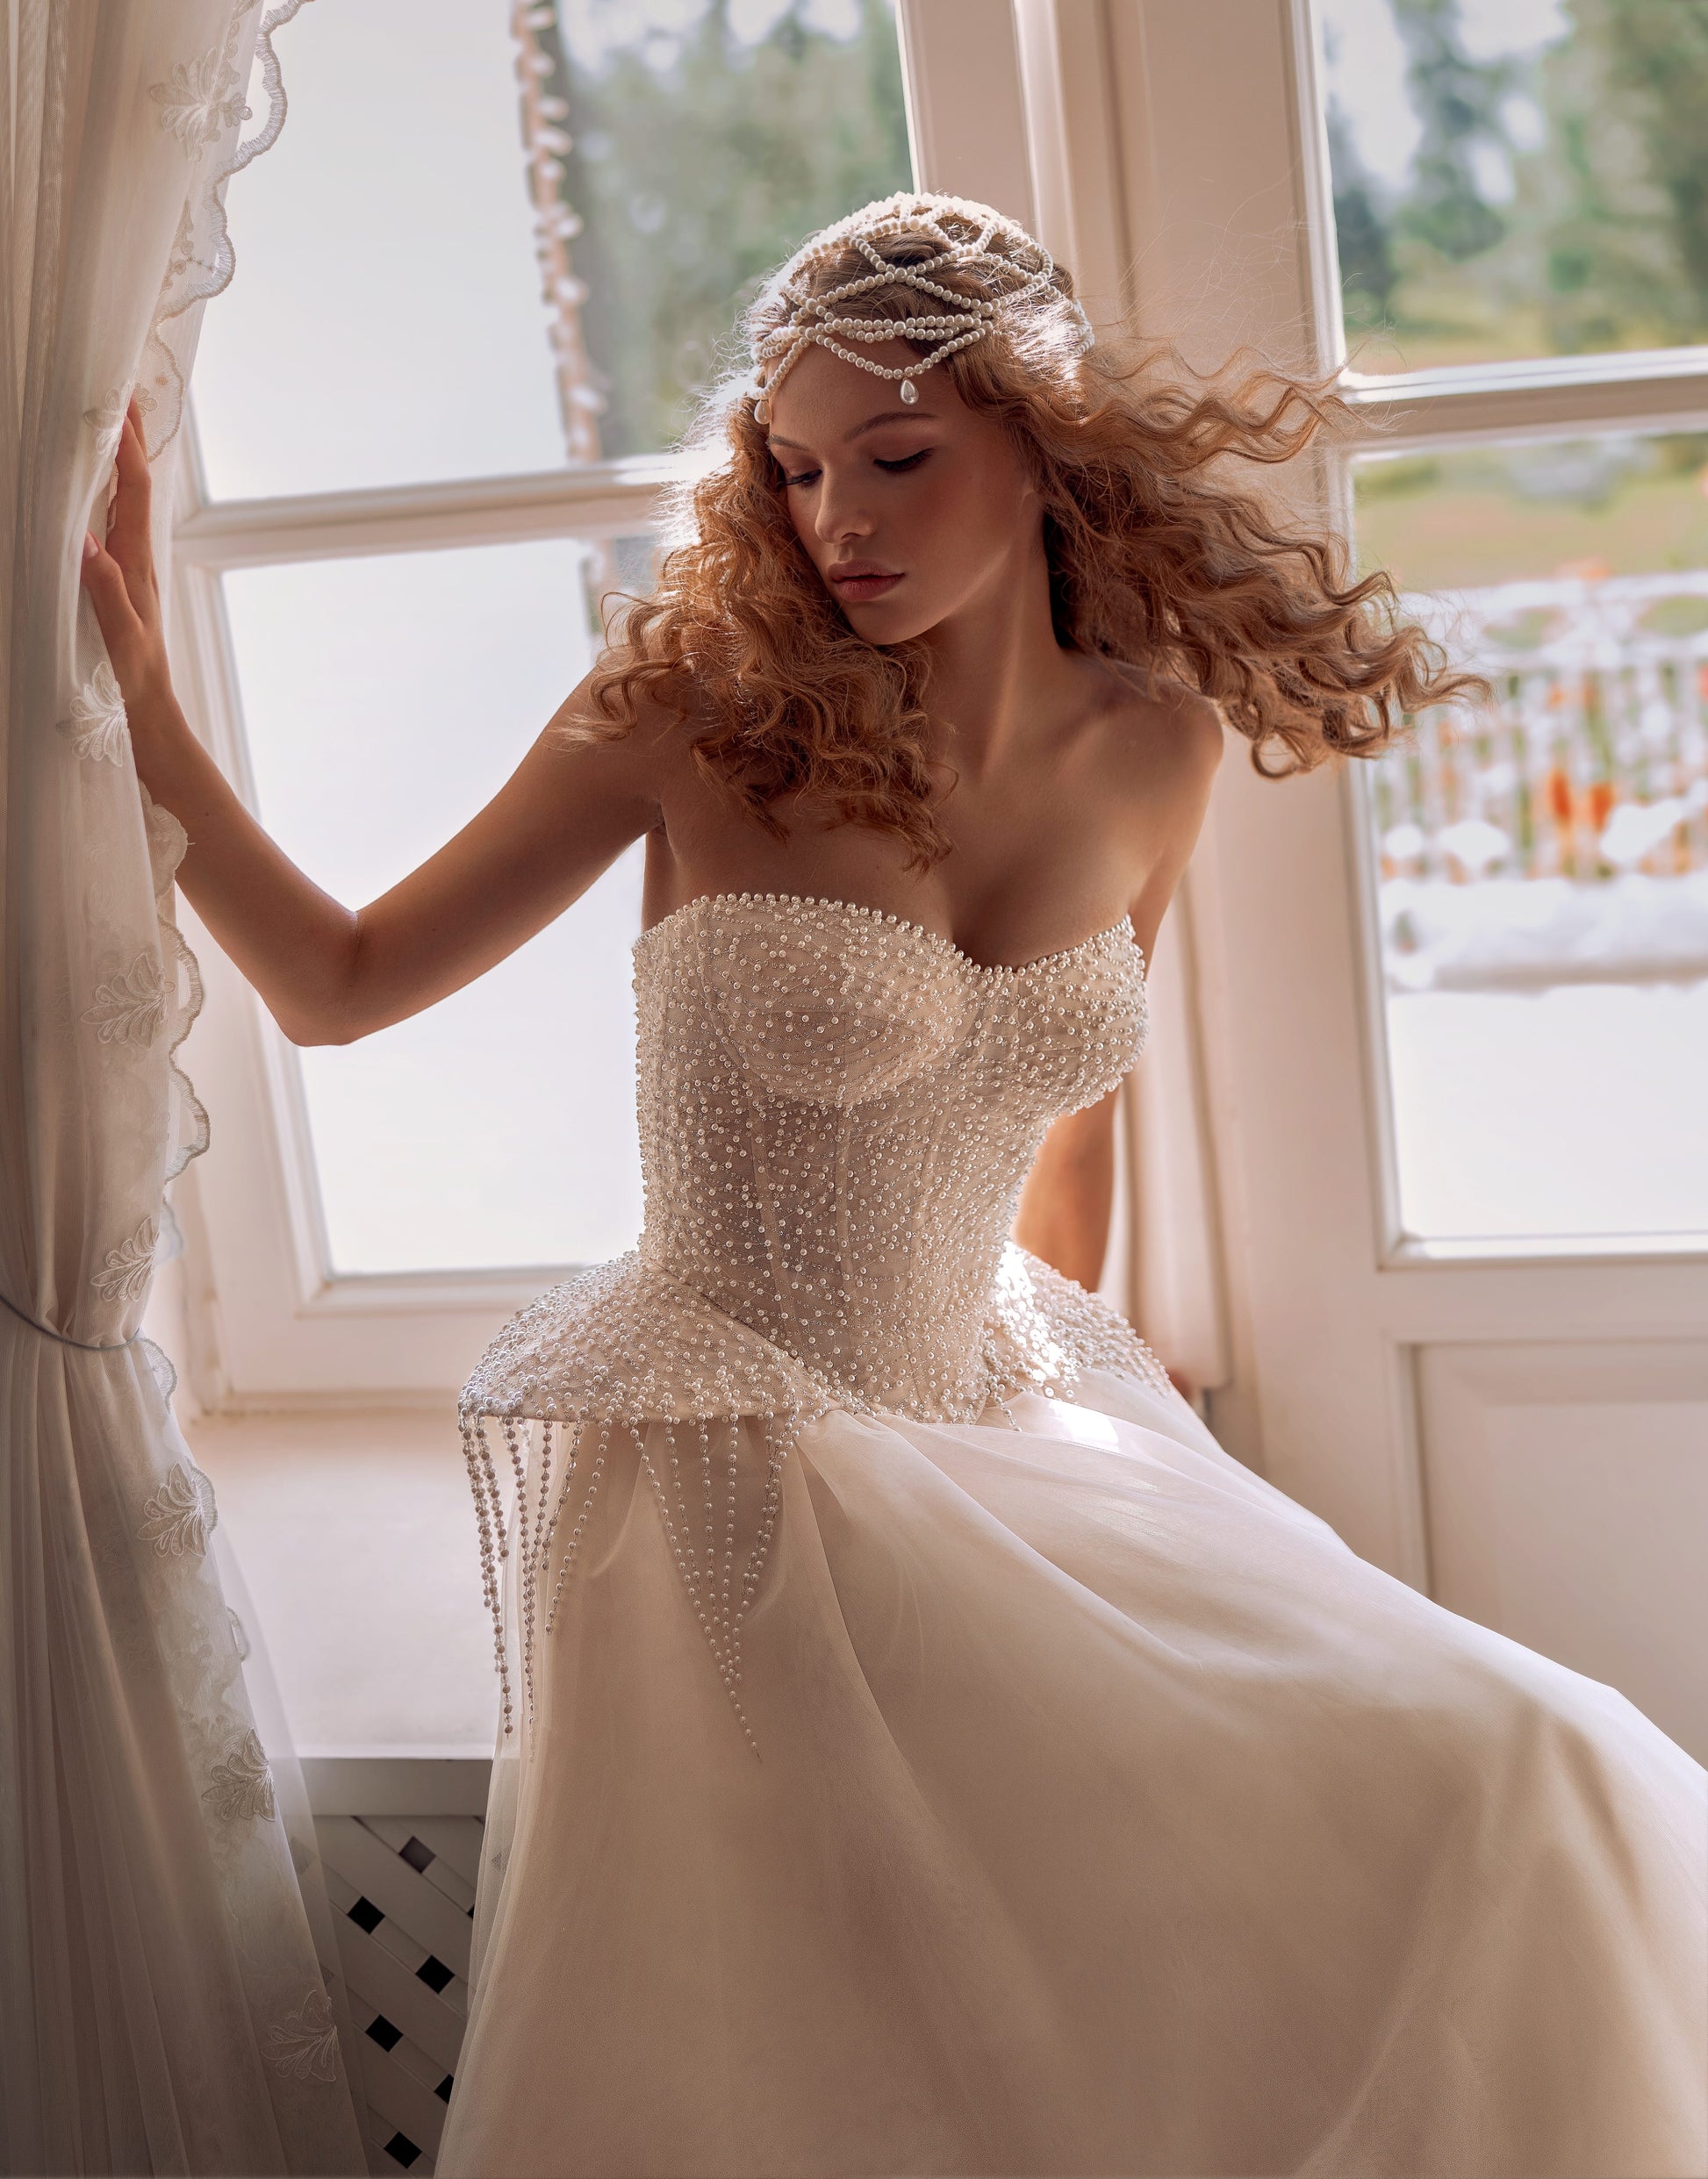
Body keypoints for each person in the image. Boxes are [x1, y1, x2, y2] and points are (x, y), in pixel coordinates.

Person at [83, 195, 1705, 2179]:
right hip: (735, 1462)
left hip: (1008, 1414)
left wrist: (1131, 1444)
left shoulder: (1152, 746)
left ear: (1044, 440)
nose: (835, 516)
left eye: (898, 457)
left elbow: (1072, 1129)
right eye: (792, 466)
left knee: (1527, 1770)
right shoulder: (691, 707)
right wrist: (147, 712)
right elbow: (339, 989)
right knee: (876, 2043)